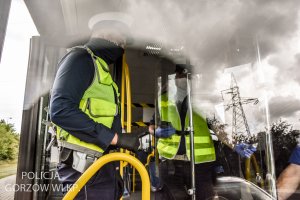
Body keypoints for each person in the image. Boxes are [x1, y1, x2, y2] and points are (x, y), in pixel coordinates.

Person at [49, 12, 140, 200]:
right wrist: (114, 138)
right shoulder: (80, 59)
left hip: (101, 168)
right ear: (105, 33)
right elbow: (60, 110)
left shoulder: (102, 71)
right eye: (121, 38)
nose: (122, 45)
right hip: (83, 170)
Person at [150, 64, 257, 200]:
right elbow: (151, 126)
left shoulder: (203, 100)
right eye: (180, 74)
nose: (182, 78)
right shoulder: (162, 99)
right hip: (170, 164)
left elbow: (218, 127)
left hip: (200, 166)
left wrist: (234, 143)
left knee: (206, 197)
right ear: (175, 76)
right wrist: (156, 131)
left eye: (187, 75)